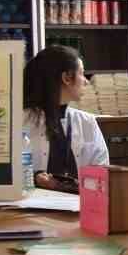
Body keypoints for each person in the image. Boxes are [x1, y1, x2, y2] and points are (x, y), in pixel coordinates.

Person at [22, 44, 108, 191]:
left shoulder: (87, 122)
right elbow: (6, 175)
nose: (86, 81)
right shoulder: (19, 121)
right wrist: (35, 178)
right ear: (67, 78)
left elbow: (102, 175)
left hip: (79, 205)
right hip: (32, 207)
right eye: (82, 73)